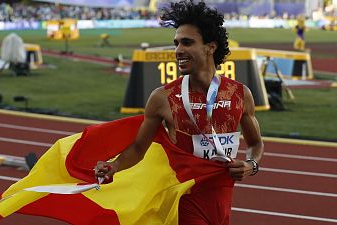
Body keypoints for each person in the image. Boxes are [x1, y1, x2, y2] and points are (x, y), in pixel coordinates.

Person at [95, 1, 264, 224]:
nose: (178, 51)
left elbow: (255, 143)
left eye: (187, 42)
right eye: (176, 43)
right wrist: (114, 166)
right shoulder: (163, 98)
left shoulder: (240, 94)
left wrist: (250, 166)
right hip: (183, 200)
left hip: (222, 201)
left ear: (210, 47)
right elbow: (138, 147)